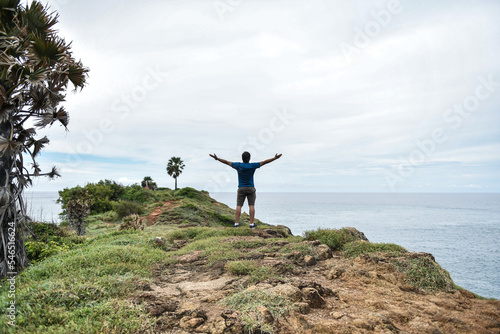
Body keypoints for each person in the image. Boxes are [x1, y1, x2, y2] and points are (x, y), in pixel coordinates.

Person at [209, 151, 282, 228]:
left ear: (242, 158)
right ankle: (251, 224)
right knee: (251, 205)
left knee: (239, 205)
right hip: (251, 188)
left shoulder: (238, 165)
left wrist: (217, 158)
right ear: (249, 158)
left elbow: (226, 162)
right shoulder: (253, 166)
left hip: (241, 188)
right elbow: (264, 162)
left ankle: (236, 224)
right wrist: (275, 158)